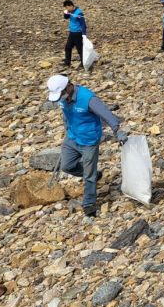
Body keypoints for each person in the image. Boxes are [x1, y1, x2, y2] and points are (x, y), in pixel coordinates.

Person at [46, 75, 128, 217]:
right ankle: (94, 175)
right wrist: (66, 127)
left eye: (61, 94)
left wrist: (118, 131)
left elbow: (107, 114)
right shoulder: (64, 98)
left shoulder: (88, 99)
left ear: (68, 87)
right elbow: (65, 113)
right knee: (67, 166)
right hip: (71, 138)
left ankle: (89, 203)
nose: (61, 97)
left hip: (89, 141)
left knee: (88, 176)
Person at [63, 0, 87, 68]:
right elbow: (66, 17)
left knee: (80, 49)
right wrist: (65, 13)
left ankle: (83, 63)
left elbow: (83, 24)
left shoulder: (79, 12)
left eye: (67, 8)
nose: (66, 9)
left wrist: (84, 34)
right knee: (68, 48)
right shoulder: (70, 12)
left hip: (78, 33)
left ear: (71, 6)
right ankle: (67, 62)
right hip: (72, 33)